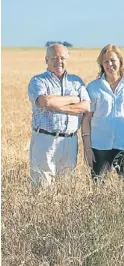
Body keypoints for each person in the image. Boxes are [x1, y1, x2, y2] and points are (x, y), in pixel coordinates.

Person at [28, 43, 91, 187]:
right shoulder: (38, 80)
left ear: (67, 59)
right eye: (54, 58)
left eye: (62, 58)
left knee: (66, 188)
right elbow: (45, 101)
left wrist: (57, 106)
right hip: (45, 140)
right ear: (46, 60)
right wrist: (74, 100)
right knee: (42, 187)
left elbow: (86, 106)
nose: (59, 62)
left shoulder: (76, 81)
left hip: (70, 141)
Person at [81, 44, 124, 180]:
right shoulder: (93, 87)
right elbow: (86, 119)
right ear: (101, 65)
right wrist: (87, 149)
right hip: (99, 147)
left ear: (120, 61)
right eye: (106, 61)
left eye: (113, 60)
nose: (110, 64)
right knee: (99, 190)